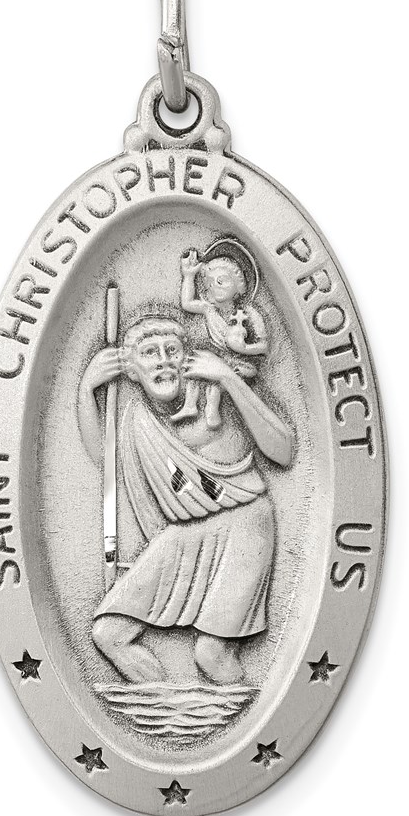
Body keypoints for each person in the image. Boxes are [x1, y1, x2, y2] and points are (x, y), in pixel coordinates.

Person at [77, 315, 292, 685]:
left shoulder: (214, 394)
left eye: (171, 350)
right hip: (186, 534)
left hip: (244, 523)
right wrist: (86, 391)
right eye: (149, 353)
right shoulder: (137, 418)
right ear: (130, 370)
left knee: (211, 654)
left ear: (186, 357)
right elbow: (107, 466)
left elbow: (283, 450)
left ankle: (238, 710)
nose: (163, 361)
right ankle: (164, 707)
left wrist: (228, 378)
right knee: (108, 635)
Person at [171, 249, 269, 429]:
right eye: (210, 284)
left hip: (242, 362)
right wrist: (189, 276)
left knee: (215, 382)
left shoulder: (249, 314)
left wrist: (244, 349)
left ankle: (212, 411)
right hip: (218, 357)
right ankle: (190, 405)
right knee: (193, 365)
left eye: (221, 281)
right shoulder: (209, 309)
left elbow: (264, 346)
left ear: (239, 285)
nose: (215, 286)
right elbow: (187, 303)